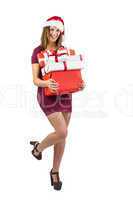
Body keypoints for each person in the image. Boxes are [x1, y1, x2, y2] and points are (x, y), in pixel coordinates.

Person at [30, 16, 85, 190]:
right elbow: (35, 80)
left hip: (66, 95)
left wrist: (80, 84)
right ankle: (38, 148)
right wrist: (47, 83)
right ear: (46, 30)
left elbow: (73, 73)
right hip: (47, 95)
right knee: (62, 132)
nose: (53, 33)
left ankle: (55, 170)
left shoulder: (66, 51)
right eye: (51, 29)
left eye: (57, 30)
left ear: (61, 32)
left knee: (63, 134)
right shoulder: (37, 51)